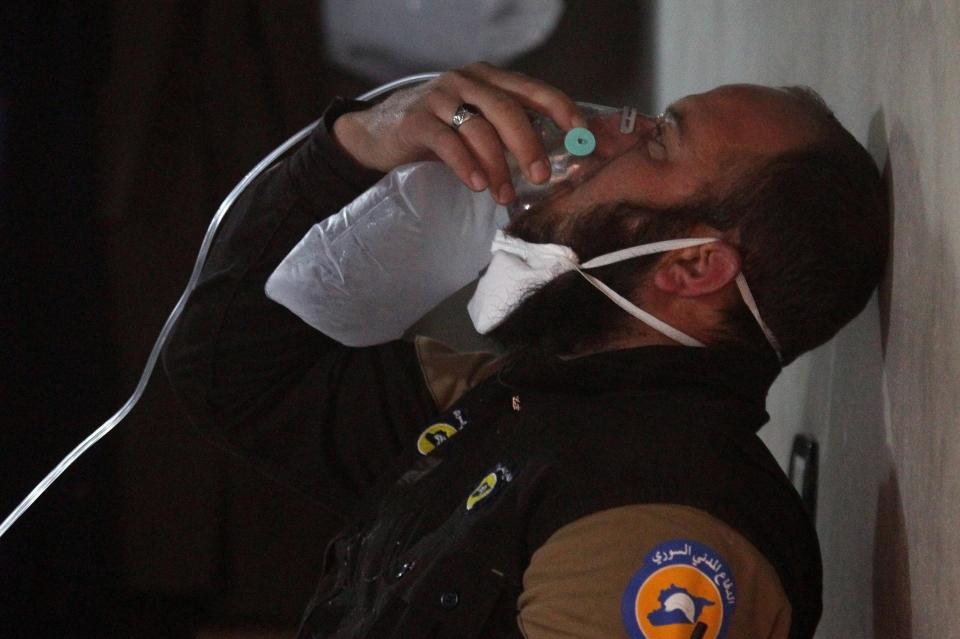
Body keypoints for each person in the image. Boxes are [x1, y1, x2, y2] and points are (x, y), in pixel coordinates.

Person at [162, 62, 887, 638]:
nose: (595, 137)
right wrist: (359, 144)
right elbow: (230, 370)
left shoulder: (666, 519)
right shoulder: (523, 401)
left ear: (692, 267)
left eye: (659, 140)